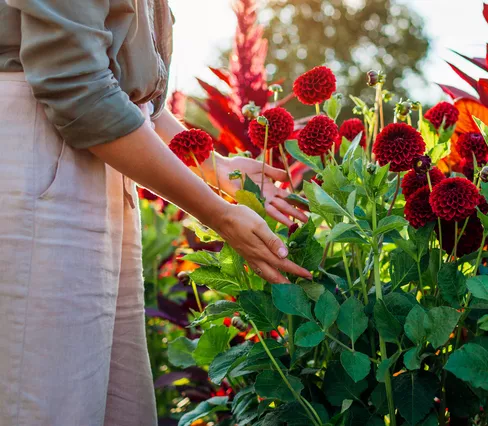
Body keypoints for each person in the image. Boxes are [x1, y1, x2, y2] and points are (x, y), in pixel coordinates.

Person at [0, 1, 311, 425]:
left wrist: (212, 165)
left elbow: (137, 99)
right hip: (41, 162)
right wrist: (219, 214)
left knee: (108, 401)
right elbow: (79, 90)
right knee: (45, 400)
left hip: (92, 155)